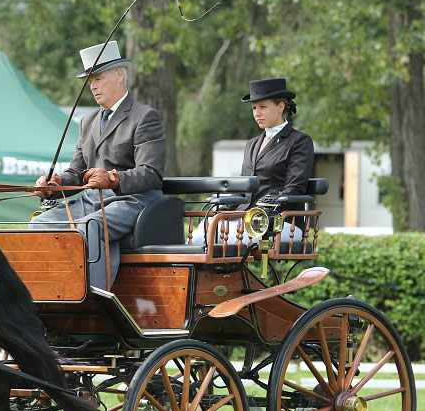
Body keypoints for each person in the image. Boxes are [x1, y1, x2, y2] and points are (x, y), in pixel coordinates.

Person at [30, 41, 165, 289]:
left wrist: (114, 179)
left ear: (120, 75)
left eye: (98, 78)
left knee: (89, 225)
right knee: (39, 224)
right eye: (89, 81)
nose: (92, 86)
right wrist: (56, 184)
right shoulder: (87, 121)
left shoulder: (144, 117)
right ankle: (51, 290)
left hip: (133, 201)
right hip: (91, 202)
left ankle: (93, 296)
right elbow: (77, 172)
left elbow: (151, 173)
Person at [193, 78, 314, 245]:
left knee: (215, 238)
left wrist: (262, 212)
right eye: (254, 108)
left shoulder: (299, 141)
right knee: (199, 235)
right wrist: (220, 212)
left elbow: (294, 189)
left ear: (281, 106)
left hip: (280, 222)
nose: (257, 113)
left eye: (263, 107)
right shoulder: (252, 144)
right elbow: (242, 189)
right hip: (246, 219)